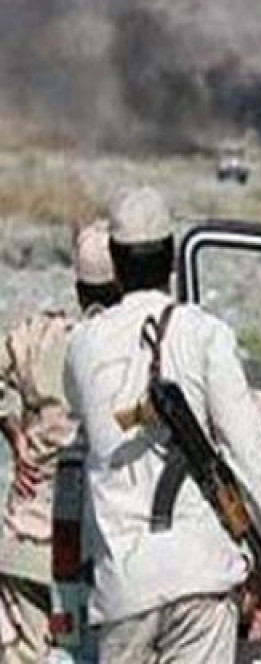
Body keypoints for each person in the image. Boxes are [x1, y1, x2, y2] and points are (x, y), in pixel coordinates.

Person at [64, 187, 261, 663]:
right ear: (173, 257)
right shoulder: (206, 335)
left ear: (116, 261)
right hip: (200, 575)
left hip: (124, 586)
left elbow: (85, 413)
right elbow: (251, 461)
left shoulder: (83, 345)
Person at [0, 221, 120, 663]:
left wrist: (13, 432)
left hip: (30, 540)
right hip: (105, 549)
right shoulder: (128, 349)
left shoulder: (40, 337)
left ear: (78, 287)